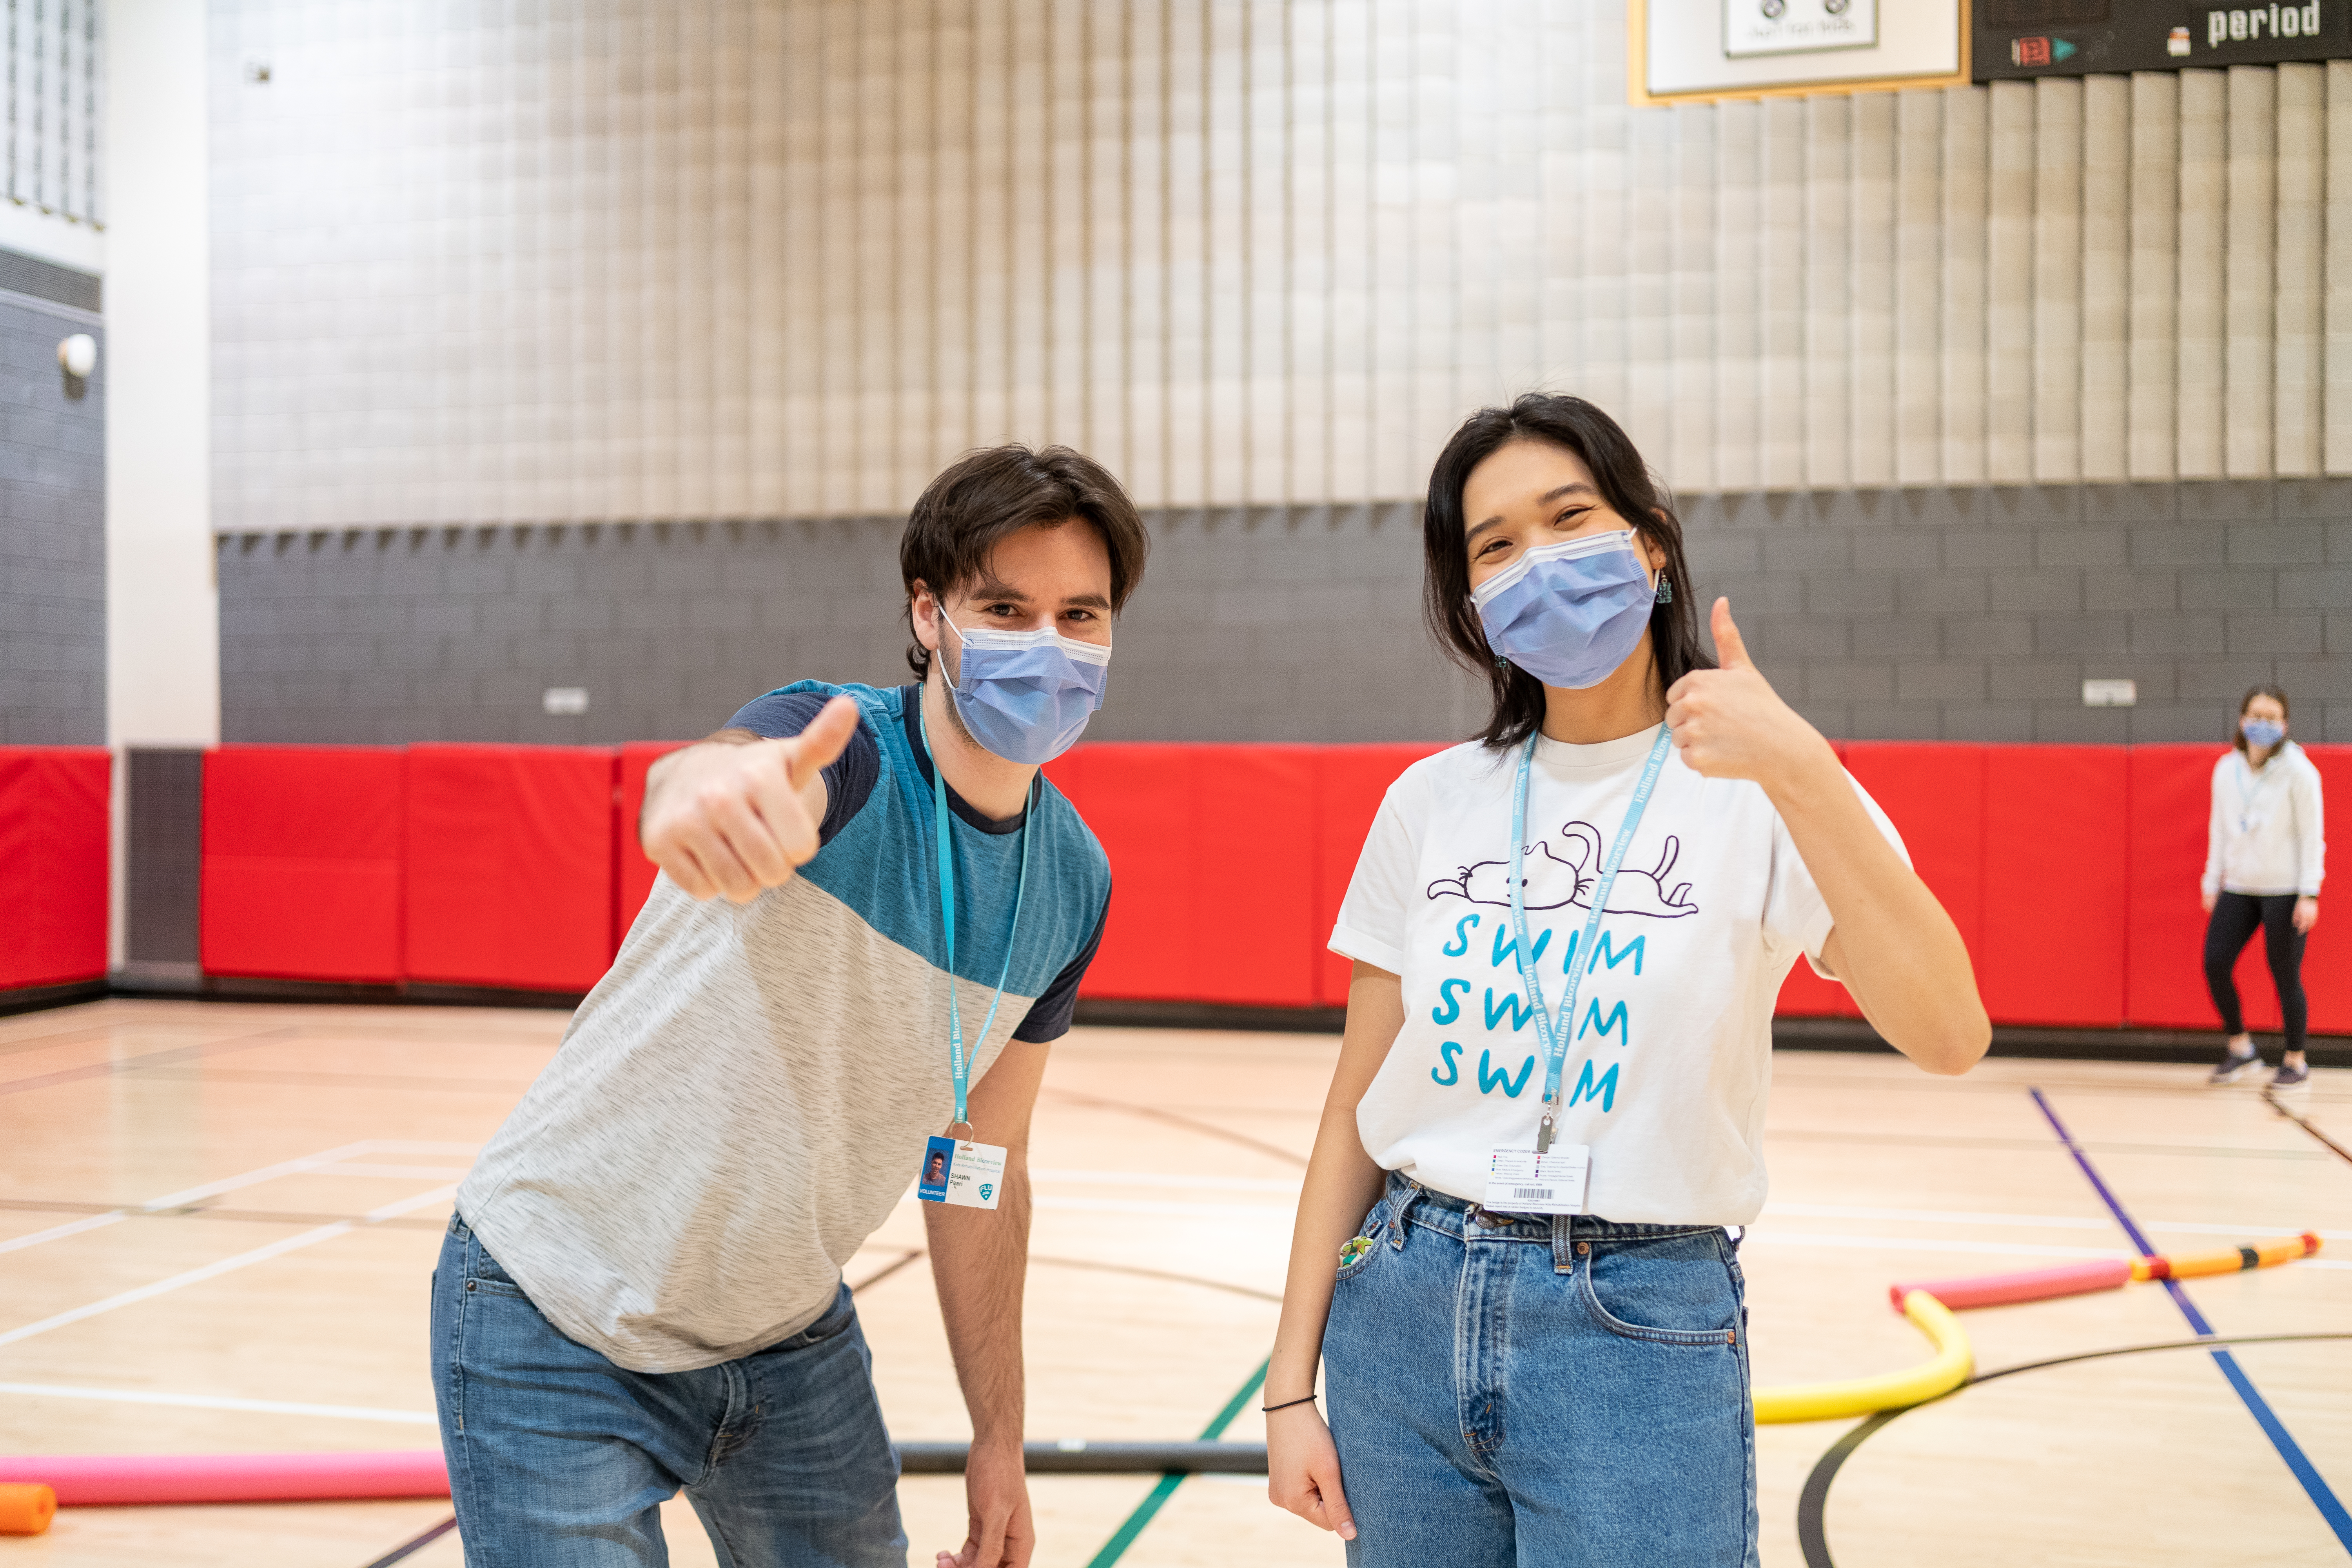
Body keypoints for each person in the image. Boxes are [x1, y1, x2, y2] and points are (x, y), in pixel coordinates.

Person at [1261, 394, 1988, 1567]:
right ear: (1469, 603)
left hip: (1631, 1322)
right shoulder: (1428, 802)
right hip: (1402, 1304)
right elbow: (1354, 1105)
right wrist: (1287, 1383)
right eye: (1493, 545)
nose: (1536, 563)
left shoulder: (1761, 788)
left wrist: (1805, 767)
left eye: (1567, 518)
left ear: (1648, 543)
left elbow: (1950, 1030)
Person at [431, 445, 1146, 1568]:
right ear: (930, 613)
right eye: (1005, 609)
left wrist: (998, 1434)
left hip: (785, 1338)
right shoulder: (841, 746)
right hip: (556, 1311)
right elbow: (723, 771)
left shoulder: (1073, 885)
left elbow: (982, 1165)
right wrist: (699, 796)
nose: (1047, 648)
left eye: (1081, 615)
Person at [2204, 684, 2325, 1090]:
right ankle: (2241, 1048)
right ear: (2242, 719)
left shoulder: (2300, 771)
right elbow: (2219, 829)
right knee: (2215, 962)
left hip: (2285, 889)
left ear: (2285, 725)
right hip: (2240, 886)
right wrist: (2212, 879)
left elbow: (2313, 836)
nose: (2263, 724)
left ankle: (2296, 1059)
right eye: (2256, 715)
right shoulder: (2226, 769)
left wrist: (2310, 892)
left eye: (2272, 718)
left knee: (2285, 973)